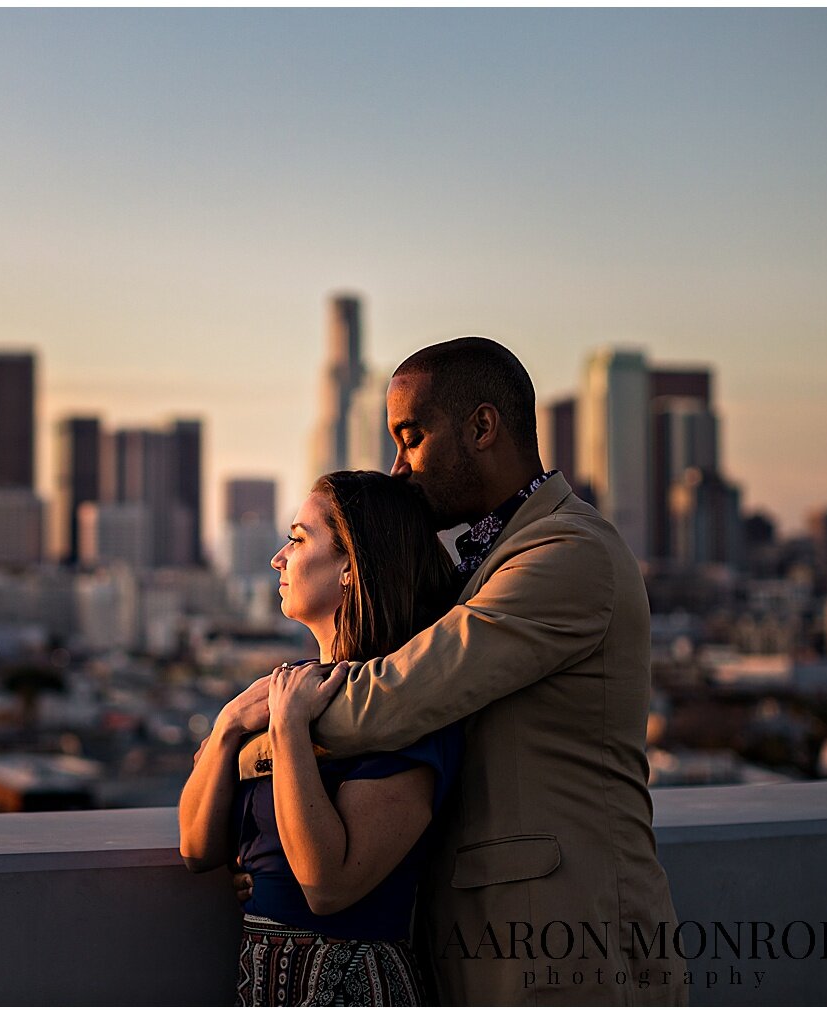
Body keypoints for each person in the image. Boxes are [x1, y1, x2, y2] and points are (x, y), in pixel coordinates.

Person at [237, 337, 687, 1004]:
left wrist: (258, 723)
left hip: (562, 930)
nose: (396, 469)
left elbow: (395, 698)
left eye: (410, 438)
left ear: (480, 427)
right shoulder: (487, 560)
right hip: (478, 933)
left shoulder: (566, 554)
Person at [179, 470, 462, 1006]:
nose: (278, 559)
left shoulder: (404, 714)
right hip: (262, 977)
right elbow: (196, 848)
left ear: (351, 566)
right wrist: (227, 729)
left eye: (298, 538)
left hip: (351, 982)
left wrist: (286, 731)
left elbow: (327, 886)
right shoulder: (286, 691)